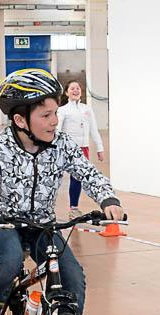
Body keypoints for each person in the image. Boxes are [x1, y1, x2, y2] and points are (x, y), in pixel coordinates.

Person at [0, 69, 124, 315]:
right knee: (9, 260)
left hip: (43, 225)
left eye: (55, 114)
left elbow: (89, 174)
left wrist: (108, 200)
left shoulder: (61, 145)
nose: (54, 122)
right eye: (45, 116)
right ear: (20, 119)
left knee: (72, 277)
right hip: (3, 223)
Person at [57, 80, 105, 218]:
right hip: (67, 149)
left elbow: (94, 130)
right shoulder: (62, 110)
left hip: (83, 149)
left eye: (78, 88)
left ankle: (74, 208)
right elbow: (57, 131)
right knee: (55, 177)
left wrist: (99, 148)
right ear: (66, 93)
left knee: (77, 178)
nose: (76, 90)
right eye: (72, 88)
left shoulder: (86, 109)